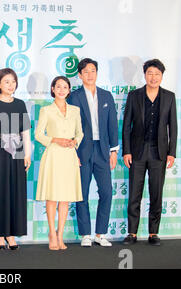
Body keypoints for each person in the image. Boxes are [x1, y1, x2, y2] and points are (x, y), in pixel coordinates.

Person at [122, 59, 177, 246]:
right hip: (137, 152)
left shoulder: (169, 97)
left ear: (162, 76)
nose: (153, 77)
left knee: (156, 193)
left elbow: (173, 127)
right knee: (134, 194)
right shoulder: (134, 96)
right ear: (144, 75)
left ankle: (153, 233)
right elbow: (126, 125)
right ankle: (132, 233)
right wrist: (126, 151)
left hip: (159, 153)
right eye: (150, 73)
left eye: (157, 74)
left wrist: (172, 152)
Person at [67, 58, 119, 247]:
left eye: (93, 71)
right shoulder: (74, 97)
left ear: (97, 73)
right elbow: (70, 126)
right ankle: (85, 234)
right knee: (82, 193)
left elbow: (113, 124)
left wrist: (114, 150)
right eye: (86, 71)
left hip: (103, 150)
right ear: (79, 75)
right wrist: (73, 151)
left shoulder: (106, 96)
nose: (90, 74)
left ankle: (100, 233)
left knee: (106, 192)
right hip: (82, 150)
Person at [0, 68, 32, 250]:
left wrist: (27, 154)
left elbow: (26, 132)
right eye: (6, 82)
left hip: (17, 152)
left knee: (16, 195)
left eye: (13, 81)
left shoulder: (20, 104)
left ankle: (11, 235)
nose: (11, 85)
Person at [35, 76, 83, 250]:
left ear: (69, 90)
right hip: (54, 154)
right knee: (53, 196)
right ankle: (51, 233)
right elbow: (39, 134)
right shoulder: (46, 110)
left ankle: (60, 234)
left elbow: (80, 133)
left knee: (65, 197)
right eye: (58, 87)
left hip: (69, 155)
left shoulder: (75, 110)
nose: (62, 90)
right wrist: (55, 139)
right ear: (53, 89)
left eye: (65, 87)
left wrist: (74, 141)